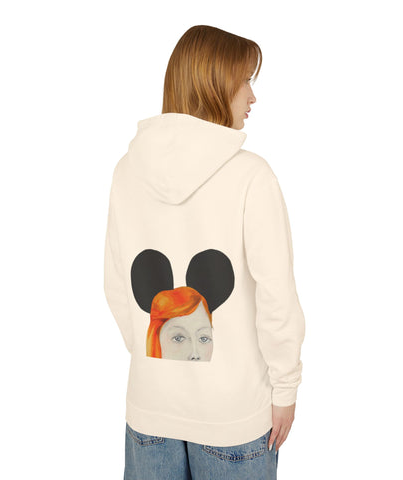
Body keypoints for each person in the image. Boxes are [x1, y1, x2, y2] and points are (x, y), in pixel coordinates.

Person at [104, 24, 306, 480]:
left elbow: (117, 286)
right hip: (232, 415)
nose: (252, 96)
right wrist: (286, 387)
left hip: (150, 407)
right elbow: (276, 296)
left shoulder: (126, 170)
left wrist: (159, 365)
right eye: (245, 80)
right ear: (214, 83)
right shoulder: (251, 176)